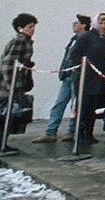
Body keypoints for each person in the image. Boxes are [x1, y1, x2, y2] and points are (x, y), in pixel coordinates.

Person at [0, 14, 37, 153]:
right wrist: (12, 84)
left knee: (1, 115)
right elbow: (9, 63)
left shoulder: (23, 40)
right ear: (20, 28)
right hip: (4, 82)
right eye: (30, 26)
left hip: (4, 80)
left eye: (33, 26)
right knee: (4, 113)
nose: (33, 29)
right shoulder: (21, 40)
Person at [33, 14, 90, 143]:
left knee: (74, 106)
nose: (74, 25)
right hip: (67, 75)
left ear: (84, 25)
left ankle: (71, 131)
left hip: (77, 76)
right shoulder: (74, 39)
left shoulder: (85, 39)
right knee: (59, 103)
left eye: (77, 22)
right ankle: (51, 131)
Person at [66, 12, 105, 144]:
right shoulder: (86, 37)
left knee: (94, 107)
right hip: (86, 78)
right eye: (101, 22)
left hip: (99, 77)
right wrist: (82, 67)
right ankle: (78, 133)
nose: (104, 26)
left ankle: (89, 133)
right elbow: (73, 55)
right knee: (84, 107)